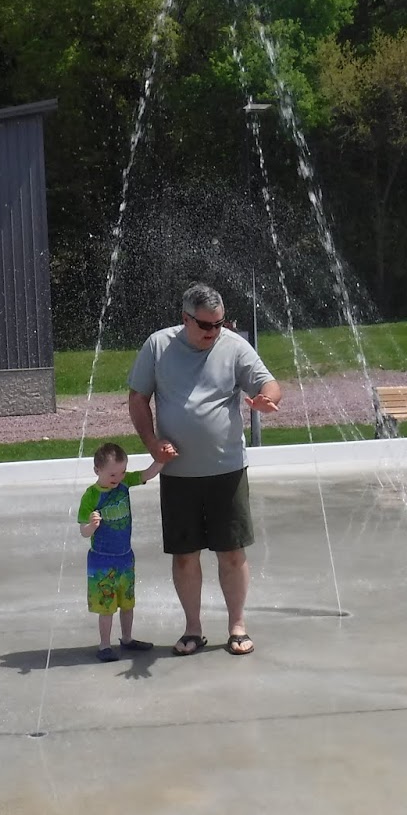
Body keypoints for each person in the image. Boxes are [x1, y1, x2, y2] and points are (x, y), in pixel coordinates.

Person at [127, 282, 282, 657]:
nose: (214, 332)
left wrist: (266, 401)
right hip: (178, 474)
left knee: (232, 552)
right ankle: (193, 628)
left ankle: (237, 625)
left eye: (219, 324)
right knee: (185, 555)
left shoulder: (232, 345)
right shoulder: (159, 346)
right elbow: (137, 398)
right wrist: (152, 445)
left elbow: (269, 383)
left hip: (226, 470)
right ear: (185, 319)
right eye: (206, 325)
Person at [77, 442, 164, 661]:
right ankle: (104, 645)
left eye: (122, 472)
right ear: (97, 470)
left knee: (127, 603)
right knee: (106, 607)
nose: (118, 477)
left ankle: (127, 638)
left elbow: (147, 474)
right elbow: (83, 533)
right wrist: (91, 526)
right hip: (102, 561)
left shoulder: (124, 483)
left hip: (125, 557)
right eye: (113, 474)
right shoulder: (91, 496)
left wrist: (162, 459)